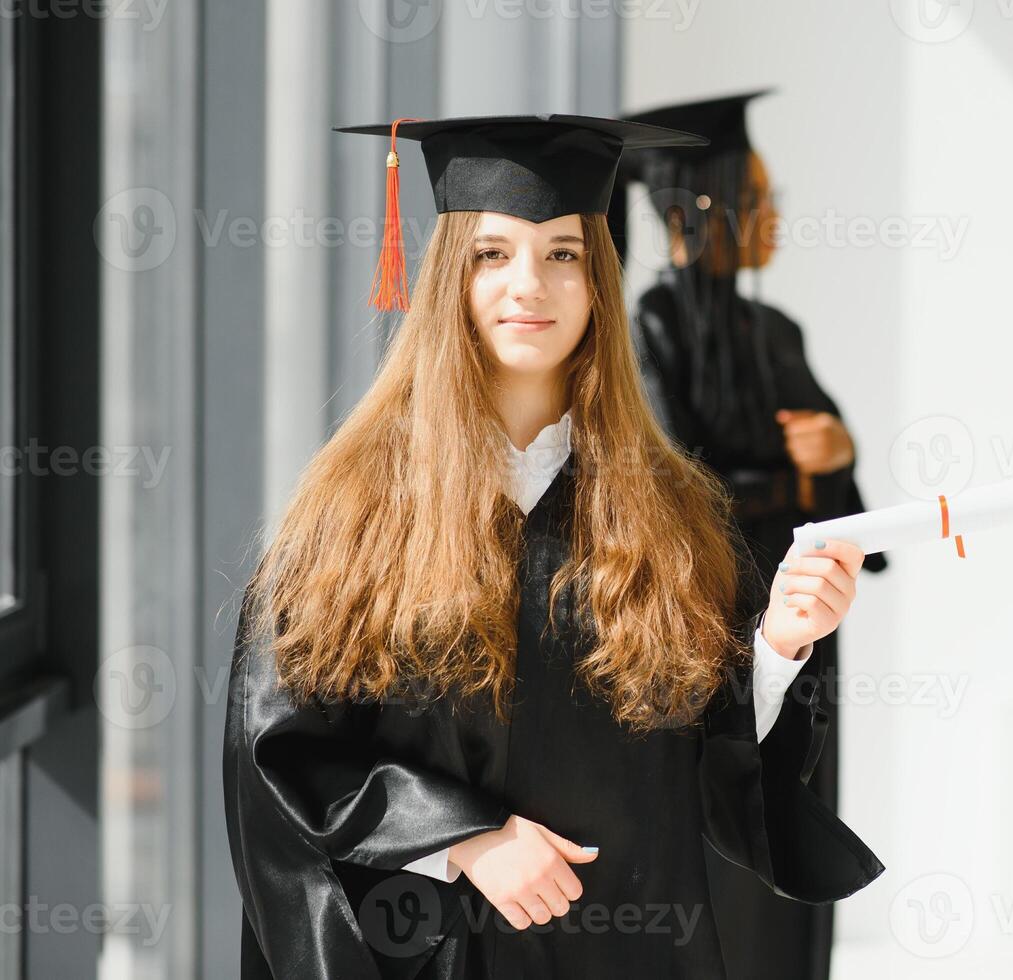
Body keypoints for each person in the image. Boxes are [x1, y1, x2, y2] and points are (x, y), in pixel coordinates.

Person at [222, 114, 885, 980]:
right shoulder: (357, 509)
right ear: (450, 279)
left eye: (563, 253)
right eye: (493, 254)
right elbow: (279, 762)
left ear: (598, 282)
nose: (528, 284)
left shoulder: (672, 514)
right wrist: (463, 839)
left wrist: (777, 647)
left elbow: (702, 768)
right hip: (430, 949)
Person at [620, 91, 888, 980]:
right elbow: (666, 488)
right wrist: (789, 477)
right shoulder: (650, 326)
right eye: (758, 199)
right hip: (721, 626)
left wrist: (837, 459)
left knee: (797, 817)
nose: (773, 219)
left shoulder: (777, 330)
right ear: (706, 204)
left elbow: (856, 524)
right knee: (729, 827)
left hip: (805, 622)